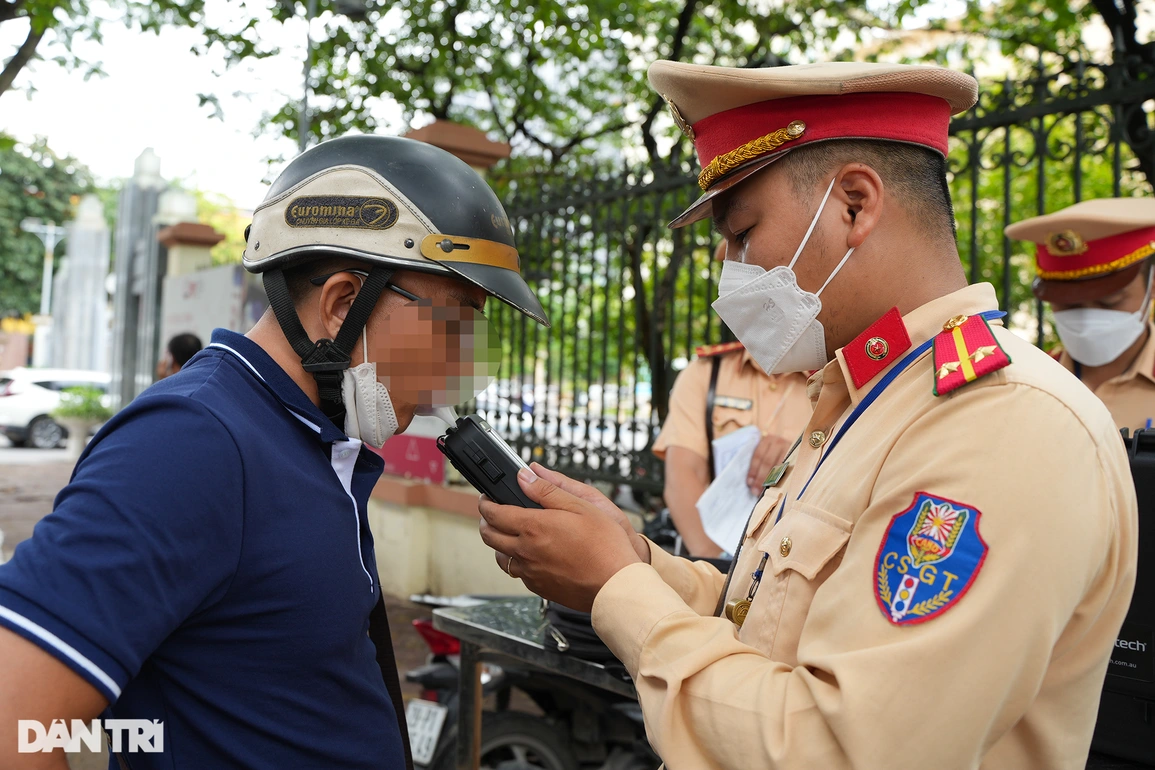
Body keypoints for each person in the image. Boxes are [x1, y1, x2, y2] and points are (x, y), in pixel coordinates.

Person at [476, 61, 1137, 769]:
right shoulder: (864, 398)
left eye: (741, 234)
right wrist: (633, 560)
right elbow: (765, 624)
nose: (728, 273)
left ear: (853, 204)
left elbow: (843, 748)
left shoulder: (1002, 425)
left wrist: (618, 590)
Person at [0, 135, 547, 768]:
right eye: (453, 327)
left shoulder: (306, 435)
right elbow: (19, 721)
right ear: (343, 305)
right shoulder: (193, 442)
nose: (458, 369)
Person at [654, 241, 811, 557]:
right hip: (714, 560)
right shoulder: (704, 375)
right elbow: (683, 477)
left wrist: (799, 460)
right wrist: (717, 571)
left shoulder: (835, 380)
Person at [1006, 198, 1155, 433]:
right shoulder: (1023, 384)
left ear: (1152, 286)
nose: (1086, 320)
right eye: (1068, 303)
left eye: (1109, 301)